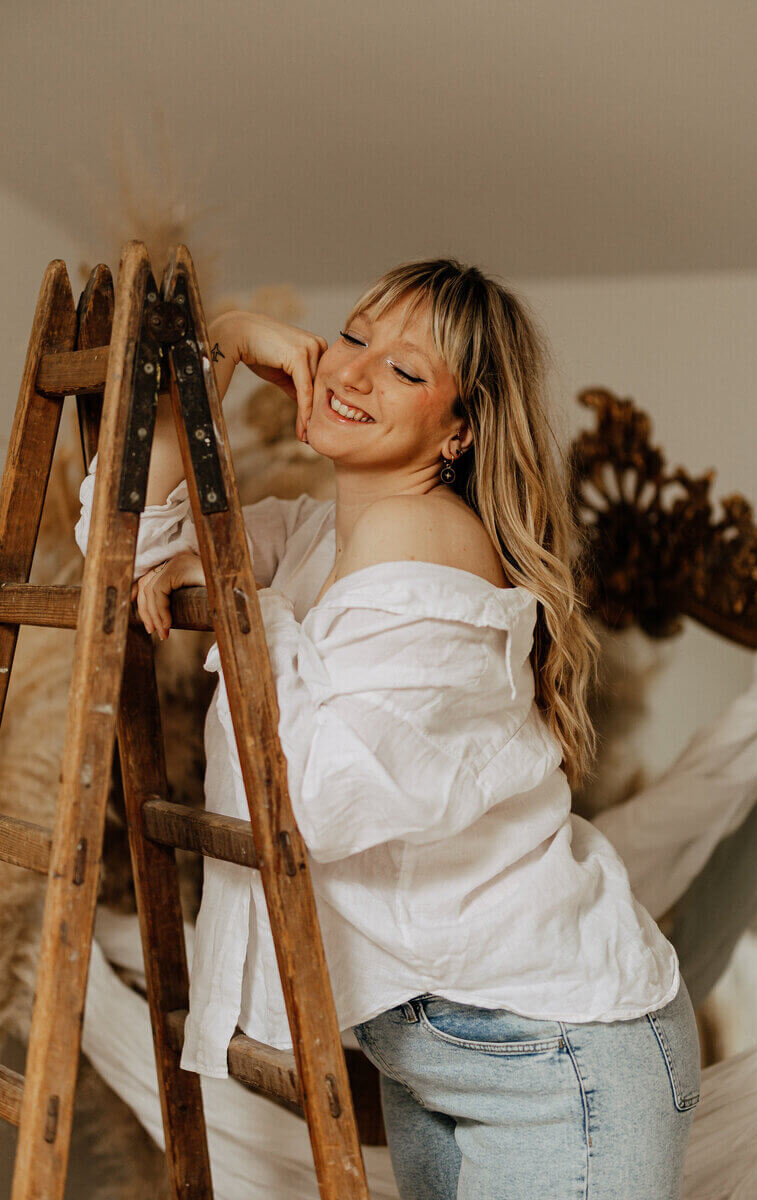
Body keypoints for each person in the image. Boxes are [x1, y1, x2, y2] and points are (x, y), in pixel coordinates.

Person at [76, 258, 700, 1199]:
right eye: (355, 337)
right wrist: (231, 340)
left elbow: (317, 802)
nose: (354, 372)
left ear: (460, 430)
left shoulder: (426, 539)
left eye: (408, 371)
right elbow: (119, 540)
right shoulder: (323, 533)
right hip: (443, 1047)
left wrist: (243, 605)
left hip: (554, 1058)